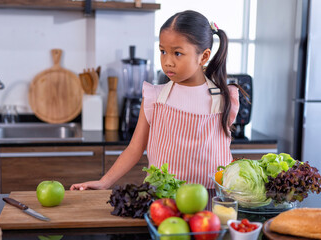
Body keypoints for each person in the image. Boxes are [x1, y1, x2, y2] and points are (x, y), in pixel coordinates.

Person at [70, 10, 240, 190]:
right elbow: (134, 149)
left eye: (177, 53)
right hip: (163, 200)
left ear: (204, 56)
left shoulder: (225, 98)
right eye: (163, 51)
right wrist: (104, 182)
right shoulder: (154, 97)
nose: (167, 61)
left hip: (214, 201)